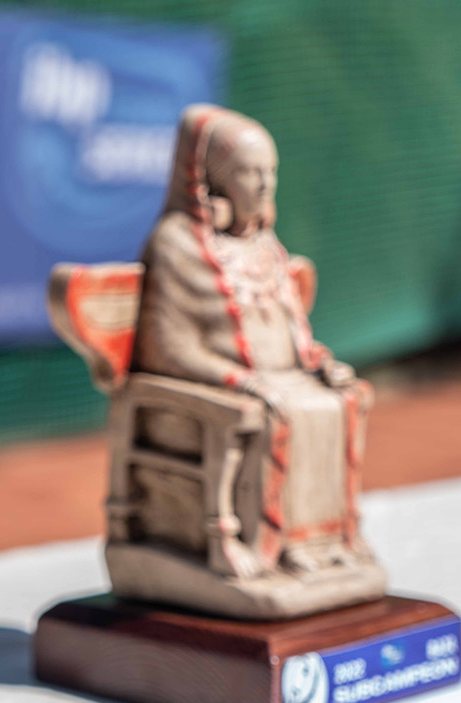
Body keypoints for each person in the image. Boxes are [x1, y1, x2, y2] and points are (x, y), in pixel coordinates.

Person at [132, 104, 372, 578]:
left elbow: (292, 332)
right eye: (248, 172)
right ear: (212, 183)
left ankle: (326, 541)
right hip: (204, 397)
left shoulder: (265, 244)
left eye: (270, 171)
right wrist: (240, 379)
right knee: (278, 414)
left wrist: (320, 363)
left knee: (346, 399)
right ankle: (267, 547)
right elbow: (168, 350)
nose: (264, 185)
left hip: (279, 382)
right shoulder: (174, 243)